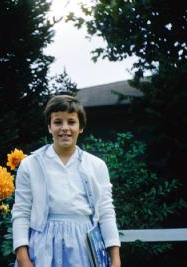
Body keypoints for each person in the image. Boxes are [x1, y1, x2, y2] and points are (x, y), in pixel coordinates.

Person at [11, 95, 121, 267]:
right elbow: (21, 212)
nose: (65, 128)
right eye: (57, 122)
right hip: (42, 249)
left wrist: (115, 257)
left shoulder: (96, 166)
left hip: (85, 248)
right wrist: (22, 257)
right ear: (49, 127)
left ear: (81, 127)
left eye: (71, 122)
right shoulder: (30, 165)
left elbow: (106, 211)